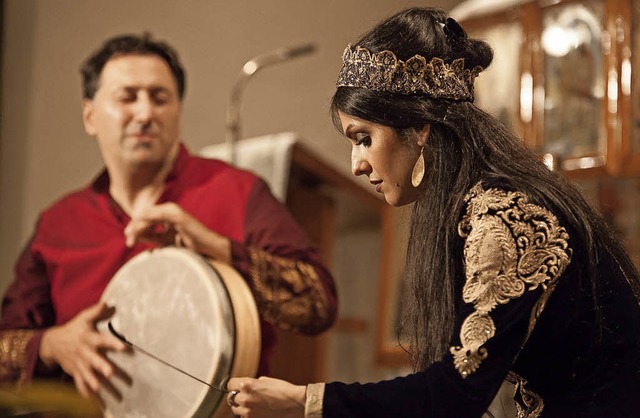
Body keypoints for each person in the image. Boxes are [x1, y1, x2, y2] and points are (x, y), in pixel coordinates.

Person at [225, 7, 640, 417]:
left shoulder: (506, 218)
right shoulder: (482, 204)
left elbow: (452, 396)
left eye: (364, 138)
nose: (357, 163)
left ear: (421, 128)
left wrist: (304, 401)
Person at [0, 33, 337, 400]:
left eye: (160, 98)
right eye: (127, 97)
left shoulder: (237, 192)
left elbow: (318, 304)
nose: (145, 113)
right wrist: (51, 344)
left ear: (177, 110)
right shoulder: (59, 223)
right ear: (90, 115)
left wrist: (220, 249)